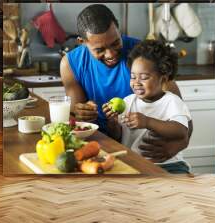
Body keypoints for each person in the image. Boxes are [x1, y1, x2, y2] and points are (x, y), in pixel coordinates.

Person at [60, 4, 192, 166]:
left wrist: (176, 147)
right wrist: (80, 112)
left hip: (148, 153)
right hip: (98, 144)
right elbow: (76, 121)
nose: (111, 54)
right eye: (100, 49)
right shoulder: (70, 64)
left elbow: (183, 119)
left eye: (116, 43)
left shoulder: (142, 54)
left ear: (118, 30)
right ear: (82, 42)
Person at [102, 40, 191, 173]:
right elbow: (118, 137)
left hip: (169, 164)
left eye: (143, 77)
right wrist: (113, 123)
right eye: (133, 77)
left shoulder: (172, 101)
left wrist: (147, 122)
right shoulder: (127, 102)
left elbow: (181, 131)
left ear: (163, 79)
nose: (136, 83)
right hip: (134, 163)